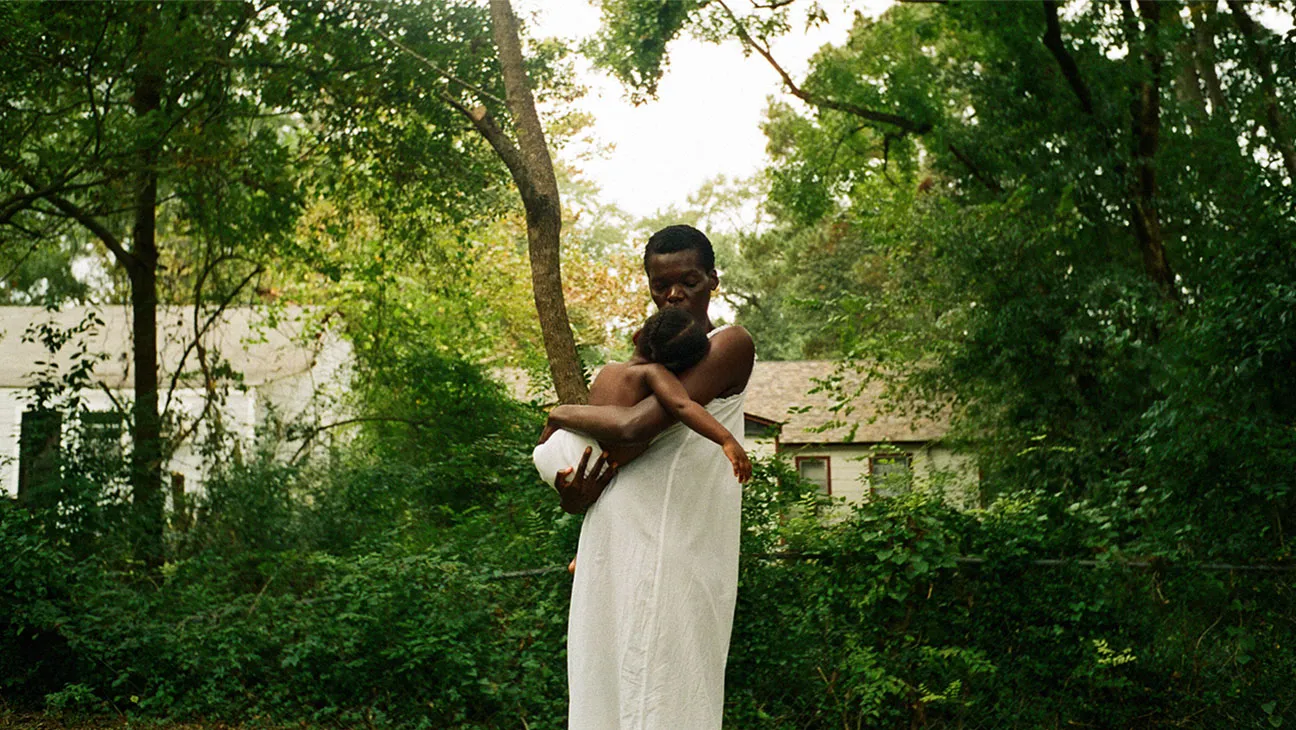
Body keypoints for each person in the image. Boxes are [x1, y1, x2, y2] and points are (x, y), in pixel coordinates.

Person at [537, 224, 755, 730]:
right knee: (604, 687)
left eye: (690, 280)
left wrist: (559, 410)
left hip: (675, 543)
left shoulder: (730, 344)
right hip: (612, 542)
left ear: (713, 280)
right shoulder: (648, 358)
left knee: (667, 690)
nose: (674, 293)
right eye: (661, 285)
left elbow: (637, 427)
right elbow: (608, 462)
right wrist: (575, 497)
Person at [532, 306, 752, 493]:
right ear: (677, 368)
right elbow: (682, 405)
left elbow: (594, 414)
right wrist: (726, 439)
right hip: (584, 464)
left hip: (553, 448)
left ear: (637, 336)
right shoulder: (652, 372)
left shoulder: (607, 370)